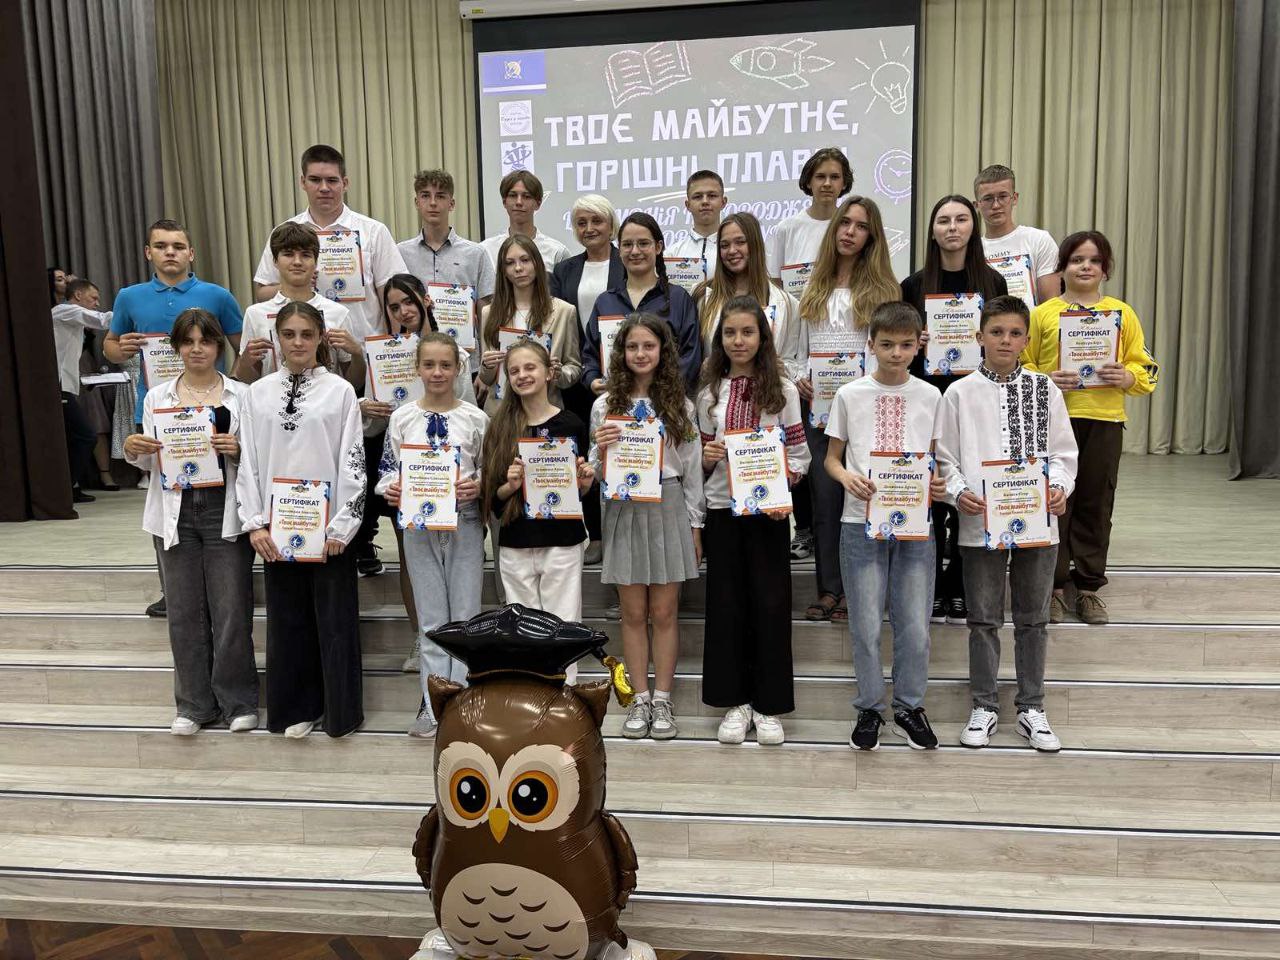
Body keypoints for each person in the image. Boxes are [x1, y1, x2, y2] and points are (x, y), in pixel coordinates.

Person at [934, 295, 1078, 752]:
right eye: (996, 332)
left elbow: (1064, 453)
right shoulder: (958, 393)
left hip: (1037, 522)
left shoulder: (1045, 389)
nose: (1005, 340)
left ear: (1027, 340)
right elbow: (945, 458)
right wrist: (959, 493)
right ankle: (984, 705)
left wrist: (1059, 488)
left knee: (1033, 619)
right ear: (979, 337)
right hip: (980, 522)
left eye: (1015, 333)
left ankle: (1032, 707)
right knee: (983, 619)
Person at [123, 309, 258, 736]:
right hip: (174, 510)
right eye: (188, 342)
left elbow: (259, 461)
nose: (197, 349)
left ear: (219, 346)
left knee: (231, 609)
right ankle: (194, 705)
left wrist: (238, 450)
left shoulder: (242, 396)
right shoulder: (157, 397)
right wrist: (133, 448)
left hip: (224, 508)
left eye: (205, 341)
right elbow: (150, 462)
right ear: (177, 347)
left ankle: (238, 701)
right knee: (183, 611)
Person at [236, 301, 366, 739]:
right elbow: (249, 463)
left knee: (334, 621)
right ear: (277, 338)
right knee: (289, 620)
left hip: (328, 528)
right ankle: (296, 708)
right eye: (288, 334)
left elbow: (352, 459)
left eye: (306, 334)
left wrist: (342, 525)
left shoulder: (340, 391)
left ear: (321, 338)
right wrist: (255, 523)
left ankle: (340, 712)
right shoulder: (257, 394)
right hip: (278, 527)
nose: (297, 343)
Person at [104, 218, 243, 619]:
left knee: (217, 498)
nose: (170, 252)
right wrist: (120, 348)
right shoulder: (129, 297)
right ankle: (174, 589)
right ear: (148, 252)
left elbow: (241, 349)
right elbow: (110, 347)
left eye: (178, 246)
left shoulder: (217, 295)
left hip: (212, 408)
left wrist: (234, 390)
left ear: (191, 253)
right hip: (156, 409)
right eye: (161, 245)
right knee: (165, 500)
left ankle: (224, 584)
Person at [825, 302, 944, 751]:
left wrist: (937, 482)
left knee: (914, 623)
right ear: (871, 344)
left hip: (915, 523)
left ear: (919, 346)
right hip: (860, 521)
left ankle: (910, 706)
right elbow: (831, 458)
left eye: (906, 345)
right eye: (888, 344)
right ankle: (870, 707)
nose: (897, 353)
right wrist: (845, 477)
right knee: (866, 623)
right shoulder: (849, 394)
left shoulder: (930, 396)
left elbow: (938, 458)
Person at [1023, 231, 1158, 625]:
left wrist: (1127, 377)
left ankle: (1088, 589)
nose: (1085, 267)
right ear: (1061, 267)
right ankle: (1051, 587)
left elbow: (1146, 368)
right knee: (1052, 504)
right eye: (1077, 259)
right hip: (1052, 422)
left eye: (1094, 260)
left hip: (1104, 421)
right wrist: (1046, 378)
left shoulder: (1122, 313)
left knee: (1095, 504)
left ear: (1105, 269)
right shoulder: (1042, 314)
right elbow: (1022, 366)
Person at [697, 296, 809, 746]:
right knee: (726, 605)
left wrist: (785, 485)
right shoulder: (709, 392)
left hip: (768, 513)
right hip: (722, 509)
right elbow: (698, 460)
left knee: (770, 605)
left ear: (763, 337)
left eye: (747, 332)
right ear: (719, 339)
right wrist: (707, 457)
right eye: (730, 333)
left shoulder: (782, 390)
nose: (738, 341)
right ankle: (735, 702)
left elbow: (799, 455)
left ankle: (768, 704)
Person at [589, 315, 704, 740]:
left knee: (665, 612)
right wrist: (600, 452)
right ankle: (639, 697)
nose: (640, 354)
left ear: (663, 351)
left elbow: (691, 469)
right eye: (632, 346)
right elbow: (595, 472)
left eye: (649, 346)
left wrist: (696, 524)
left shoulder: (680, 405)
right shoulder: (604, 406)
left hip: (669, 503)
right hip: (623, 507)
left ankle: (663, 699)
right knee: (634, 613)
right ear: (621, 352)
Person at [901, 195, 1008, 625]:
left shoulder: (993, 281)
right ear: (932, 230)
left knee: (971, 493)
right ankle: (930, 586)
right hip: (927, 399)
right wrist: (917, 342)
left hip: (976, 399)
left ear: (972, 228)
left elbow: (1003, 335)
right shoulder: (913, 285)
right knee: (934, 496)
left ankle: (959, 586)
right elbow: (900, 348)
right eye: (943, 220)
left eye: (961, 219)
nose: (952, 227)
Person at [795, 196, 902, 623]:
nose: (850, 232)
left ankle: (862, 590)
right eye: (845, 223)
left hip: (866, 411)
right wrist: (800, 376)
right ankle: (828, 589)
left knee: (862, 500)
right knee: (825, 501)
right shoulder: (812, 287)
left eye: (860, 226)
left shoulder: (885, 290)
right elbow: (798, 350)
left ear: (871, 237)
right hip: (820, 410)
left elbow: (888, 350)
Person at [376, 332, 489, 738]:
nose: (437, 372)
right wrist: (390, 488)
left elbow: (488, 469)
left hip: (465, 523)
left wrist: (478, 485)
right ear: (417, 369)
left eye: (445, 365)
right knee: (431, 619)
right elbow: (387, 469)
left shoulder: (476, 419)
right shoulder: (402, 417)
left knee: (465, 615)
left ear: (458, 369)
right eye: (429, 365)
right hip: (418, 527)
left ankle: (463, 701)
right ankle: (432, 700)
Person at [356, 274, 477, 640]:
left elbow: (477, 445)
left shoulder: (470, 399)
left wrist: (476, 483)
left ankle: (463, 667)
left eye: (409, 301)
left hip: (459, 503)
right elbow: (382, 451)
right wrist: (369, 410)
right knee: (422, 589)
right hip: (414, 494)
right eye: (394, 307)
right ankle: (425, 654)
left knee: (464, 602)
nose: (403, 311)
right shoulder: (384, 360)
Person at [480, 341, 595, 682]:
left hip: (562, 541)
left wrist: (584, 482)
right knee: (524, 635)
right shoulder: (499, 426)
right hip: (515, 542)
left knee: (563, 628)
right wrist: (510, 485)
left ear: (549, 373)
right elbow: (493, 500)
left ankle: (564, 700)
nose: (522, 375)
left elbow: (578, 493)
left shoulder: (571, 423)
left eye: (530, 367)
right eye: (514, 370)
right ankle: (531, 699)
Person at [766, 146, 853, 562]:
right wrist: (794, 366)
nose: (827, 184)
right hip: (797, 354)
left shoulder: (850, 226)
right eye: (820, 176)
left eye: (835, 176)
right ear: (808, 181)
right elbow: (775, 292)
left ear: (844, 182)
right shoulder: (788, 229)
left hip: (844, 358)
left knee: (837, 454)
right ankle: (804, 530)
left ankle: (838, 533)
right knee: (800, 444)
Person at [252, 144, 407, 338]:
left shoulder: (373, 231)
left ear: (345, 183)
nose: (324, 188)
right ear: (303, 182)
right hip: (302, 348)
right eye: (315, 180)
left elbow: (393, 296)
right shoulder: (284, 232)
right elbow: (262, 293)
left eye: (332, 180)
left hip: (362, 347)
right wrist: (292, 285)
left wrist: (392, 345)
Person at [551, 194, 625, 558]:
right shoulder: (565, 270)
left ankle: (620, 534)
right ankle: (592, 534)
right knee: (584, 458)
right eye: (581, 222)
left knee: (621, 452)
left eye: (597, 221)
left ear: (611, 225)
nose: (589, 228)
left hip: (624, 377)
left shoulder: (628, 261)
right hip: (579, 378)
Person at [581, 212, 702, 394]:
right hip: (616, 402)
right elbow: (589, 354)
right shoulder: (605, 301)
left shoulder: (679, 299)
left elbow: (691, 357)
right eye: (627, 244)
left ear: (658, 247)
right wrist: (591, 379)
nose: (635, 251)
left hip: (666, 402)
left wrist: (659, 391)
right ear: (619, 250)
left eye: (643, 243)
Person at [235, 222, 364, 387]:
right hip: (273, 401)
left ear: (315, 262)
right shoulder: (255, 314)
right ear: (275, 261)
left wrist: (357, 354)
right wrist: (244, 363)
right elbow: (249, 384)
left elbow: (354, 384)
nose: (297, 262)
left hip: (327, 401)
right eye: (288, 254)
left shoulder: (338, 313)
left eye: (305, 255)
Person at [477, 236, 580, 416]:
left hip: (547, 412)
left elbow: (574, 367)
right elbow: (486, 379)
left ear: (537, 264)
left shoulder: (564, 311)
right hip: (501, 413)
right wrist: (487, 366)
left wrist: (559, 373)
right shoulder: (489, 312)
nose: (518, 268)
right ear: (503, 271)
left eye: (525, 260)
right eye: (510, 263)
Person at [698, 212, 799, 364]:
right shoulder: (701, 297)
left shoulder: (788, 303)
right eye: (724, 245)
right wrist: (704, 369)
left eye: (740, 242)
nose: (732, 250)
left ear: (755, 244)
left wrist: (781, 368)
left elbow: (791, 361)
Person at [53, 278, 113, 504]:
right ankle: (64, 488)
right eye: (93, 298)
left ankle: (70, 486)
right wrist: (131, 312)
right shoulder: (64, 311)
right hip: (58, 387)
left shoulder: (70, 317)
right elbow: (102, 320)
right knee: (86, 435)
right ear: (78, 296)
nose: (97, 303)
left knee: (73, 437)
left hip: (66, 386)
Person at [397, 168, 496, 303]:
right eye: (425, 196)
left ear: (452, 204)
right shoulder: (400, 253)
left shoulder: (477, 254)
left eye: (440, 196)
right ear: (417, 203)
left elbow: (486, 308)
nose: (433, 203)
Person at [975, 164, 1061, 307]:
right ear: (977, 205)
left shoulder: (1039, 240)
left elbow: (1050, 306)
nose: (996, 205)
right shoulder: (972, 249)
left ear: (1014, 198)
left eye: (1003, 196)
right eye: (988, 199)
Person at [480, 170, 570, 270]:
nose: (519, 202)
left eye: (526, 196)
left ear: (538, 204)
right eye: (513, 195)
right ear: (504, 202)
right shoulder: (486, 250)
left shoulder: (557, 252)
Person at [667, 169, 727, 280]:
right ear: (688, 205)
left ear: (723, 202)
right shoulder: (671, 254)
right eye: (698, 197)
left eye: (712, 195)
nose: (705, 201)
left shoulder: (735, 253)